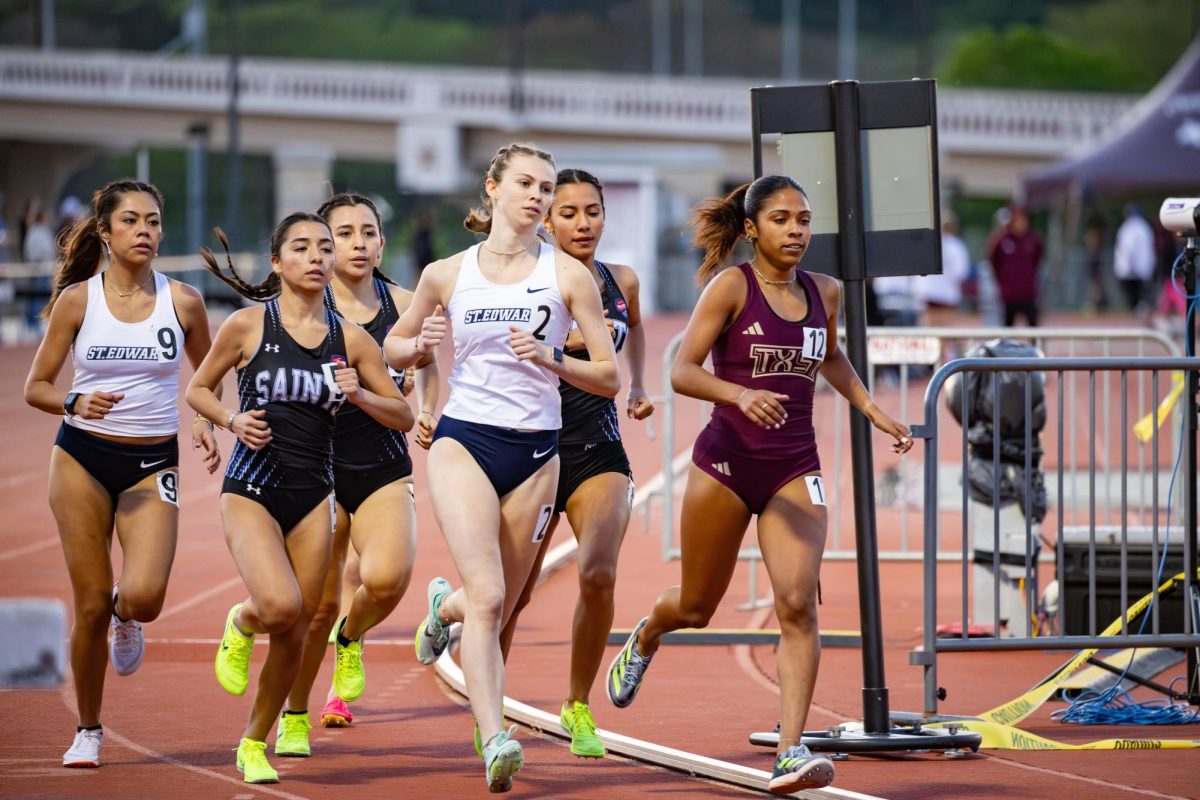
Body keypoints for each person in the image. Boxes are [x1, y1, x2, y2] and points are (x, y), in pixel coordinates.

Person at [605, 176, 913, 794]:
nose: (796, 230)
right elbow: (683, 370)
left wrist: (873, 409)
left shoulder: (825, 292)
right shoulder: (730, 289)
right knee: (696, 605)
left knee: (797, 603)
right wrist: (740, 394)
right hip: (725, 464)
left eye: (803, 219)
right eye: (781, 219)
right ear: (752, 229)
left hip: (795, 467)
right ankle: (648, 633)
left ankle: (790, 749)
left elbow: (830, 357)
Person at [384, 143, 619, 793]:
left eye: (546, 187)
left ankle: (442, 611)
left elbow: (610, 375)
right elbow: (394, 343)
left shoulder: (570, 276)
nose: (539, 196)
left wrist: (552, 362)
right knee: (490, 598)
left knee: (499, 600)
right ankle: (494, 740)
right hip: (466, 442)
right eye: (526, 183)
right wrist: (416, 346)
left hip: (538, 451)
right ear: (492, 189)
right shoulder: (446, 273)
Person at [186, 213, 412, 784]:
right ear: (278, 263)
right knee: (280, 608)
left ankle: (255, 741)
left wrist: (360, 393)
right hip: (252, 490)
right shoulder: (245, 326)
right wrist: (230, 421)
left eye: (324, 248)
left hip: (315, 494)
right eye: (302, 248)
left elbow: (404, 415)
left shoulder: (352, 339)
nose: (317, 256)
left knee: (302, 623)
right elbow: (198, 388)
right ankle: (241, 621)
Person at [22, 179, 221, 768]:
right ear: (105, 233)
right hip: (81, 458)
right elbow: (35, 387)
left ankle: (126, 614)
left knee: (145, 595)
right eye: (132, 221)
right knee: (86, 606)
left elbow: (206, 376)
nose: (145, 232)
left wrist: (206, 421)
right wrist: (73, 403)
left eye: (154, 221)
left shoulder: (183, 301)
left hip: (150, 461)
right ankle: (88, 730)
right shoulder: (77, 302)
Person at [496, 168, 654, 759]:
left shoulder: (623, 281)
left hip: (597, 449)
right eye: (568, 213)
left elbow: (632, 328)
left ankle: (577, 704)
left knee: (599, 572)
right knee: (513, 594)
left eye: (592, 211)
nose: (583, 223)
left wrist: (636, 383)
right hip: (529, 447)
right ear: (545, 218)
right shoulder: (524, 280)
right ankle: (493, 716)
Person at [274, 192, 439, 754]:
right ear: (323, 245)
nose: (358, 244)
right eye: (344, 234)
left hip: (381, 463)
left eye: (368, 232)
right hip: (316, 469)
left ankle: (352, 637)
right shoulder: (304, 309)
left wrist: (428, 408)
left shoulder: (403, 301)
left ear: (382, 241)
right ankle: (295, 714)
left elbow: (426, 358)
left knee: (388, 578)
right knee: (315, 607)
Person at [987, 204, 1042, 327]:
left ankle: (1034, 346)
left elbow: (1037, 258)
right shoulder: (1001, 240)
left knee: (1034, 325)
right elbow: (994, 261)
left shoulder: (1032, 239)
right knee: (1008, 327)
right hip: (1009, 294)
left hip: (1028, 292)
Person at [1113, 203, 1156, 315]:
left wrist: (1129, 265)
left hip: (1130, 270)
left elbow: (1128, 248)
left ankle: (1138, 315)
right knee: (1142, 296)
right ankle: (1141, 312)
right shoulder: (1145, 227)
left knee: (1133, 298)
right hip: (1143, 268)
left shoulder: (1129, 228)